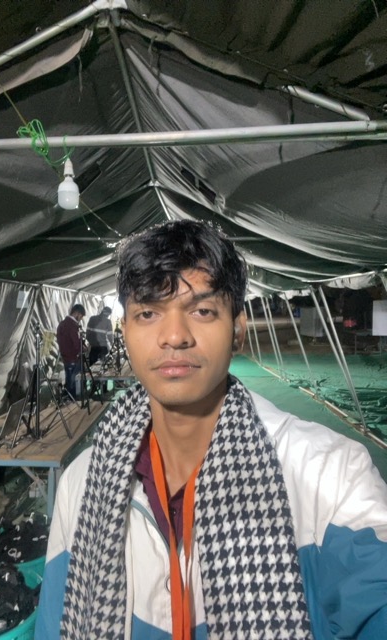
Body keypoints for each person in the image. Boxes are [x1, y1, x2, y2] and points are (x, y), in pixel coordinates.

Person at [36, 220, 387, 639]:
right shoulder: (83, 484)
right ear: (125, 331)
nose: (174, 336)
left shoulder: (329, 476)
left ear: (237, 330)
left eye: (202, 311)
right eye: (148, 313)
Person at [56, 304, 86, 399]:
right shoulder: (72, 326)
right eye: (81, 316)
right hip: (73, 358)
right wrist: (83, 349)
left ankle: (70, 399)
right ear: (77, 313)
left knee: (70, 381)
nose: (80, 319)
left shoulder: (61, 324)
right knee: (74, 383)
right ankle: (74, 401)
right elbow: (76, 343)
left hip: (66, 358)